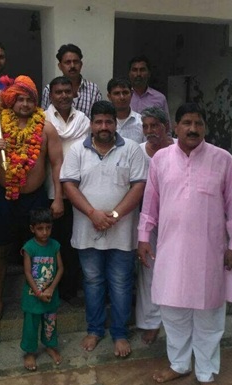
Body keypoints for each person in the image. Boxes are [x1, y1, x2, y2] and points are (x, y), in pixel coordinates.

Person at [137, 103, 232, 385]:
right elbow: (150, 203)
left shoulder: (223, 159)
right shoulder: (160, 159)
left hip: (210, 252)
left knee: (209, 314)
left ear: (205, 127)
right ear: (176, 126)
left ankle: (206, 372)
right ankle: (179, 364)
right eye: (187, 123)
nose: (193, 129)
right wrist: (143, 237)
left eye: (198, 123)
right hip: (171, 249)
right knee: (173, 311)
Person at [61, 100, 147, 357]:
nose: (104, 126)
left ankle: (120, 333)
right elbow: (69, 186)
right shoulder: (77, 150)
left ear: (115, 123)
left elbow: (139, 186)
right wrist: (92, 214)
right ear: (91, 124)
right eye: (98, 122)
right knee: (92, 281)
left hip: (123, 232)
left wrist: (115, 214)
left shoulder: (131, 149)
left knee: (121, 283)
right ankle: (95, 329)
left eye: (109, 121)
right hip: (87, 231)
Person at [0, 75, 64, 331]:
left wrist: (58, 197)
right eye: (20, 99)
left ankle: (40, 299)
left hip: (36, 198)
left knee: (40, 250)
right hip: (5, 198)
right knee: (0, 250)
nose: (25, 104)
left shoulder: (46, 128)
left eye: (29, 99)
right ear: (11, 101)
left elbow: (57, 164)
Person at [45, 76, 90, 304]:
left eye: (67, 91)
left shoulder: (83, 120)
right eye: (58, 92)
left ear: (74, 93)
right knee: (53, 242)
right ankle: (48, 289)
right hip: (50, 191)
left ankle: (70, 291)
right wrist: (57, 196)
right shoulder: (42, 120)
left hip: (80, 191)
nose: (63, 95)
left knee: (74, 243)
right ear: (51, 95)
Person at [135, 107, 173, 346]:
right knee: (149, 270)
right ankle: (151, 322)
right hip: (148, 220)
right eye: (145, 126)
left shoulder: (180, 148)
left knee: (177, 270)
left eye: (154, 126)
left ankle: (174, 320)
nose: (150, 131)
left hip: (177, 220)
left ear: (165, 126)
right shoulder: (138, 152)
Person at [21, 208, 64, 371]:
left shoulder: (55, 245)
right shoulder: (29, 247)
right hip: (33, 296)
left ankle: (50, 346)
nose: (45, 232)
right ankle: (30, 352)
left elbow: (60, 268)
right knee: (31, 325)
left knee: (50, 323)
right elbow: (27, 272)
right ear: (32, 229)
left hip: (50, 295)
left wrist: (51, 288)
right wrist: (38, 293)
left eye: (48, 228)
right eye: (40, 228)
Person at [41, 44, 102, 117]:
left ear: (81, 64)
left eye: (76, 62)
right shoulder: (49, 89)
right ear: (60, 66)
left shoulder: (93, 89)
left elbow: (99, 118)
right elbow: (44, 117)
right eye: (68, 62)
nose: (72, 66)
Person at [128, 55, 170, 123]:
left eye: (142, 70)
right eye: (135, 70)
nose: (138, 74)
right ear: (129, 74)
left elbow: (166, 126)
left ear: (149, 73)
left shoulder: (160, 98)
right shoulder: (123, 97)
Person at [107, 77, 144, 143]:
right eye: (117, 93)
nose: (122, 97)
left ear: (131, 94)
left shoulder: (141, 122)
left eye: (125, 92)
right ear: (109, 97)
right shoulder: (103, 123)